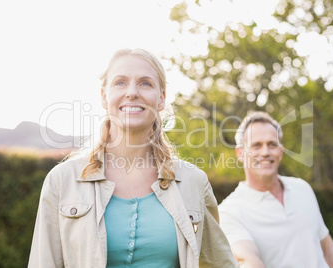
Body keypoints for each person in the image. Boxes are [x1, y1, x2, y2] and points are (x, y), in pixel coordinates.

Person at [28, 48, 238, 268]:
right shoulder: (62, 181)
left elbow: (219, 263)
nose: (132, 92)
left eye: (145, 83)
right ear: (103, 96)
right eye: (120, 82)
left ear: (161, 98)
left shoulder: (193, 182)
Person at [218, 111, 333, 268]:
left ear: (280, 150)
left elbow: (328, 251)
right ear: (240, 153)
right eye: (256, 145)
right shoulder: (228, 212)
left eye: (272, 144)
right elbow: (248, 260)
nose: (265, 152)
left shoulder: (303, 188)